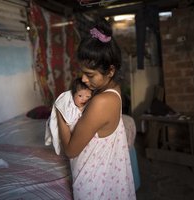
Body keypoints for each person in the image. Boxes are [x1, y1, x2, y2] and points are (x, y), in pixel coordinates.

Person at [56, 17, 136, 200]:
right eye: (82, 72)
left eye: (90, 74)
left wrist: (60, 113)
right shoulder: (114, 88)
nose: (84, 79)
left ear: (110, 71)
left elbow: (70, 150)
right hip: (103, 178)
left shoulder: (102, 102)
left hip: (92, 183)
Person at [44, 77, 92, 155]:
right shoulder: (70, 106)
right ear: (73, 95)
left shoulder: (90, 106)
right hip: (70, 135)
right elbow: (69, 119)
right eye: (80, 96)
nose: (84, 99)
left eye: (88, 97)